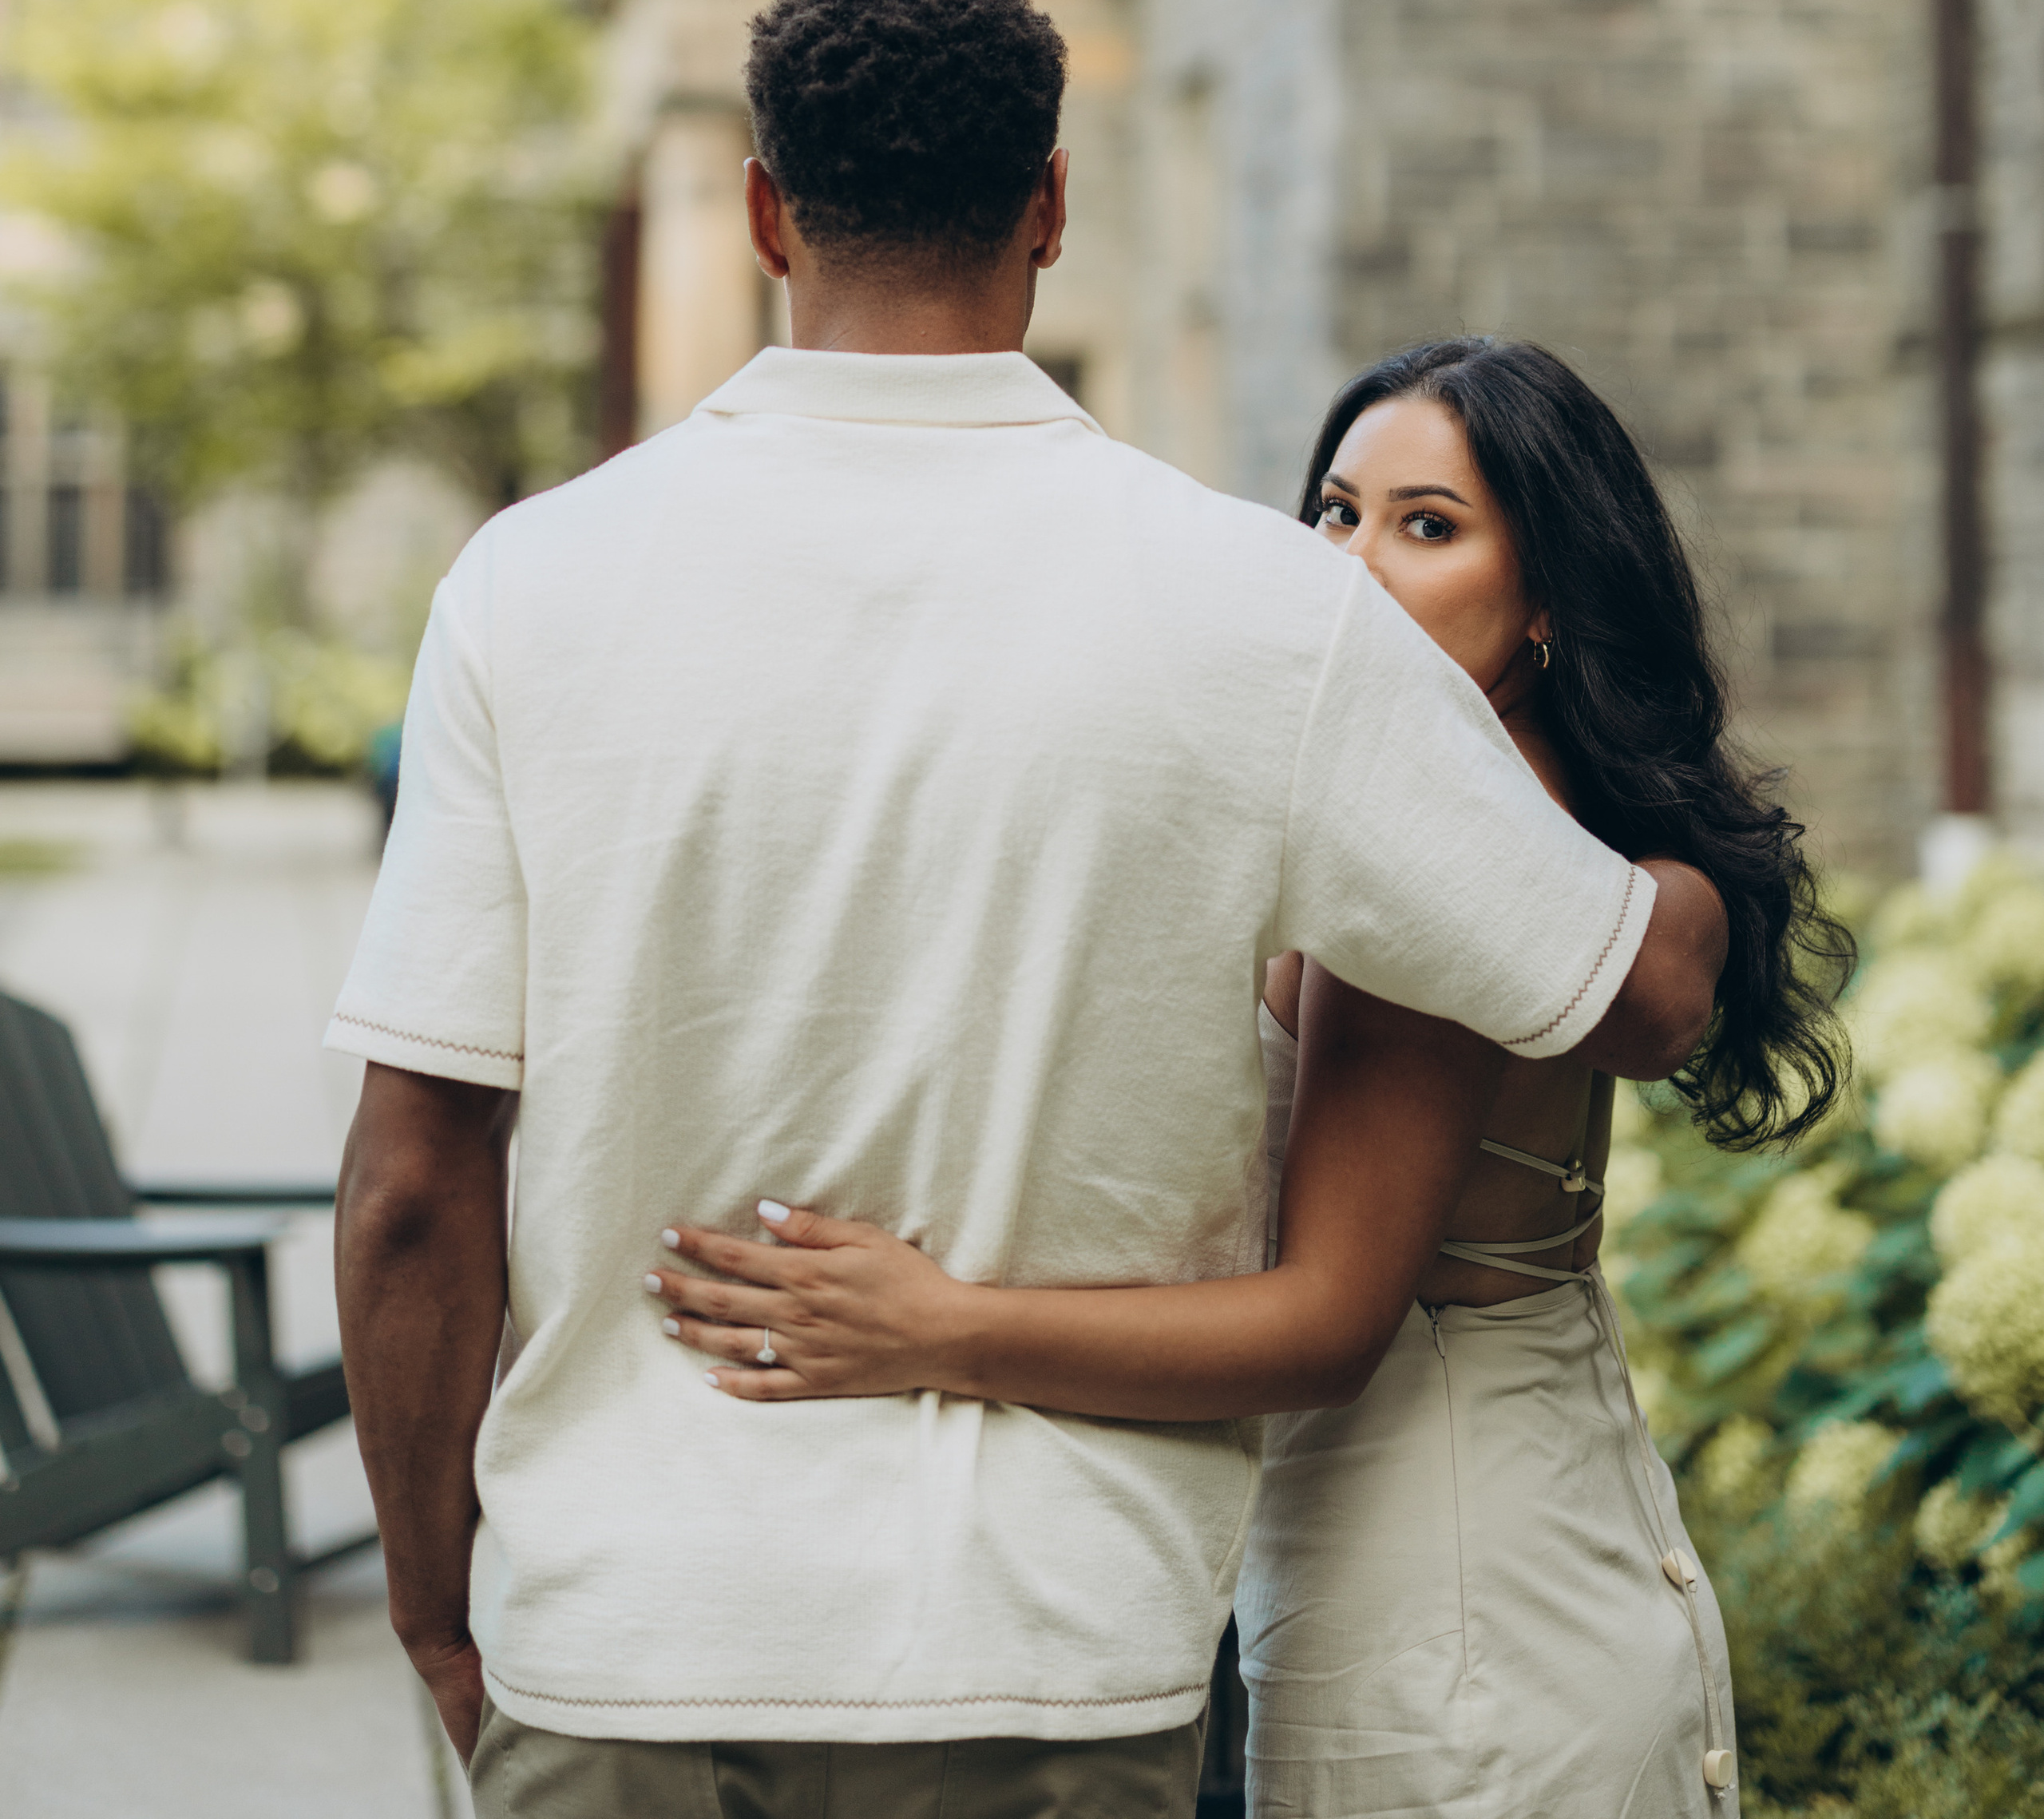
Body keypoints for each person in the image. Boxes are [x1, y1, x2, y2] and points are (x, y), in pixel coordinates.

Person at [331, 0, 1720, 1819]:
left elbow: (414, 1181)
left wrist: (435, 1602)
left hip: (619, 1638)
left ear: (762, 207)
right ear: (1051, 206)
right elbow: (1633, 992)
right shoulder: (1264, 612)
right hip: (1044, 1658)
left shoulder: (526, 584)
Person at [648, 336, 1854, 1817]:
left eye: (1429, 527)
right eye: (1335, 514)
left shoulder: (1449, 867)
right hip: (1476, 1550)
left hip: (1462, 1600)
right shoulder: (1449, 820)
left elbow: (1328, 1325)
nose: (1352, 565)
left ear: (1545, 601)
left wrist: (939, 1329)